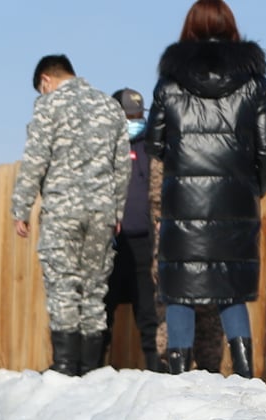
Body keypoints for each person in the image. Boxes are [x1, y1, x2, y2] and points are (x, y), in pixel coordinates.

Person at [147, 0, 266, 377]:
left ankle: (177, 373)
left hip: (183, 203)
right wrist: (255, 190)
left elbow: (154, 144)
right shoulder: (254, 83)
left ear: (190, 27)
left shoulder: (169, 83)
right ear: (231, 26)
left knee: (180, 288)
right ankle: (243, 372)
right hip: (236, 201)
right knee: (231, 288)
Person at [11, 54, 133, 377]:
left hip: (63, 212)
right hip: (101, 213)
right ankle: (91, 372)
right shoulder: (110, 107)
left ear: (45, 81)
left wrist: (20, 208)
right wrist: (117, 209)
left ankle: (65, 369)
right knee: (93, 292)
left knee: (64, 287)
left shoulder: (49, 106)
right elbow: (123, 165)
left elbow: (35, 159)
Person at [102, 88, 160, 371]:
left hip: (144, 244)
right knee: (102, 314)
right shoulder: (102, 147)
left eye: (138, 115)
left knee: (149, 316)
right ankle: (90, 378)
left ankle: (157, 374)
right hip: (110, 243)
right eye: (129, 116)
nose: (134, 120)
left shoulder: (152, 147)